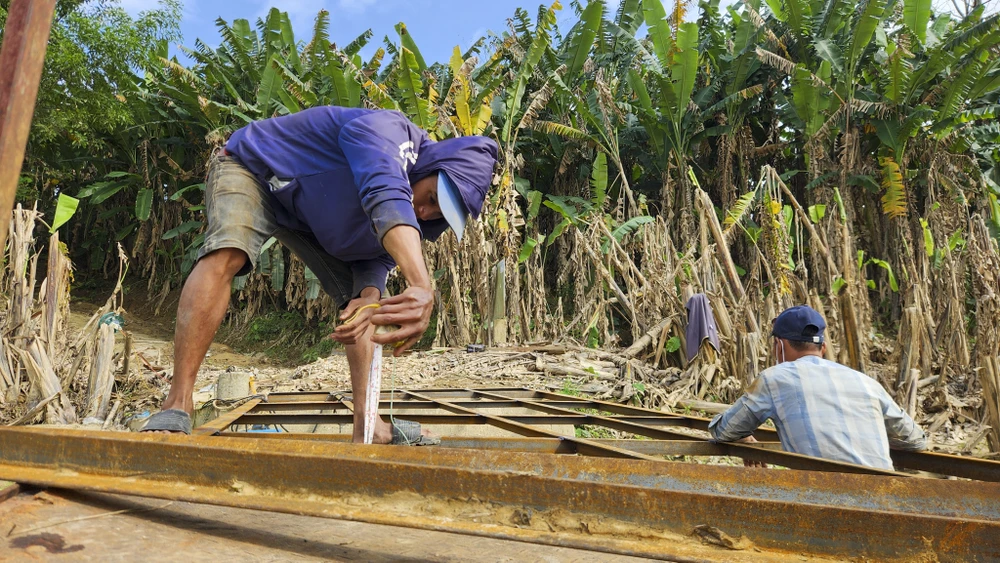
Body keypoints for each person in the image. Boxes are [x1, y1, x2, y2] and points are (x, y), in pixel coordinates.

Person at [141, 106, 498, 443]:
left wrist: (369, 293)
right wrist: (421, 284)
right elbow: (386, 195)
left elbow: (375, 256)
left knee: (367, 311)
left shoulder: (413, 215)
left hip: (305, 215)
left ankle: (369, 425)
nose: (424, 212)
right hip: (254, 170)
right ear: (431, 166)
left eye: (438, 214)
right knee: (228, 251)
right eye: (432, 197)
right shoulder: (386, 131)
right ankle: (178, 404)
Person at [708, 305, 927, 470]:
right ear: (823, 347)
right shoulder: (866, 382)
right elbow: (917, 440)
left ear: (779, 346)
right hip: (885, 498)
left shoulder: (775, 378)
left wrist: (743, 436)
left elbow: (724, 431)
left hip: (822, 499)